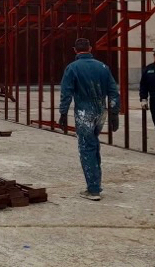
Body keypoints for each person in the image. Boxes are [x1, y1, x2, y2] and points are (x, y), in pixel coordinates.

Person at [58, 38, 119, 201]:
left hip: (84, 112)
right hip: (100, 112)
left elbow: (66, 93)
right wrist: (114, 113)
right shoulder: (103, 67)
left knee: (86, 148)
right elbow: (113, 92)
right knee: (94, 144)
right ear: (90, 48)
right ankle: (96, 183)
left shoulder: (72, 68)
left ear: (75, 50)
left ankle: (93, 189)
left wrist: (63, 113)